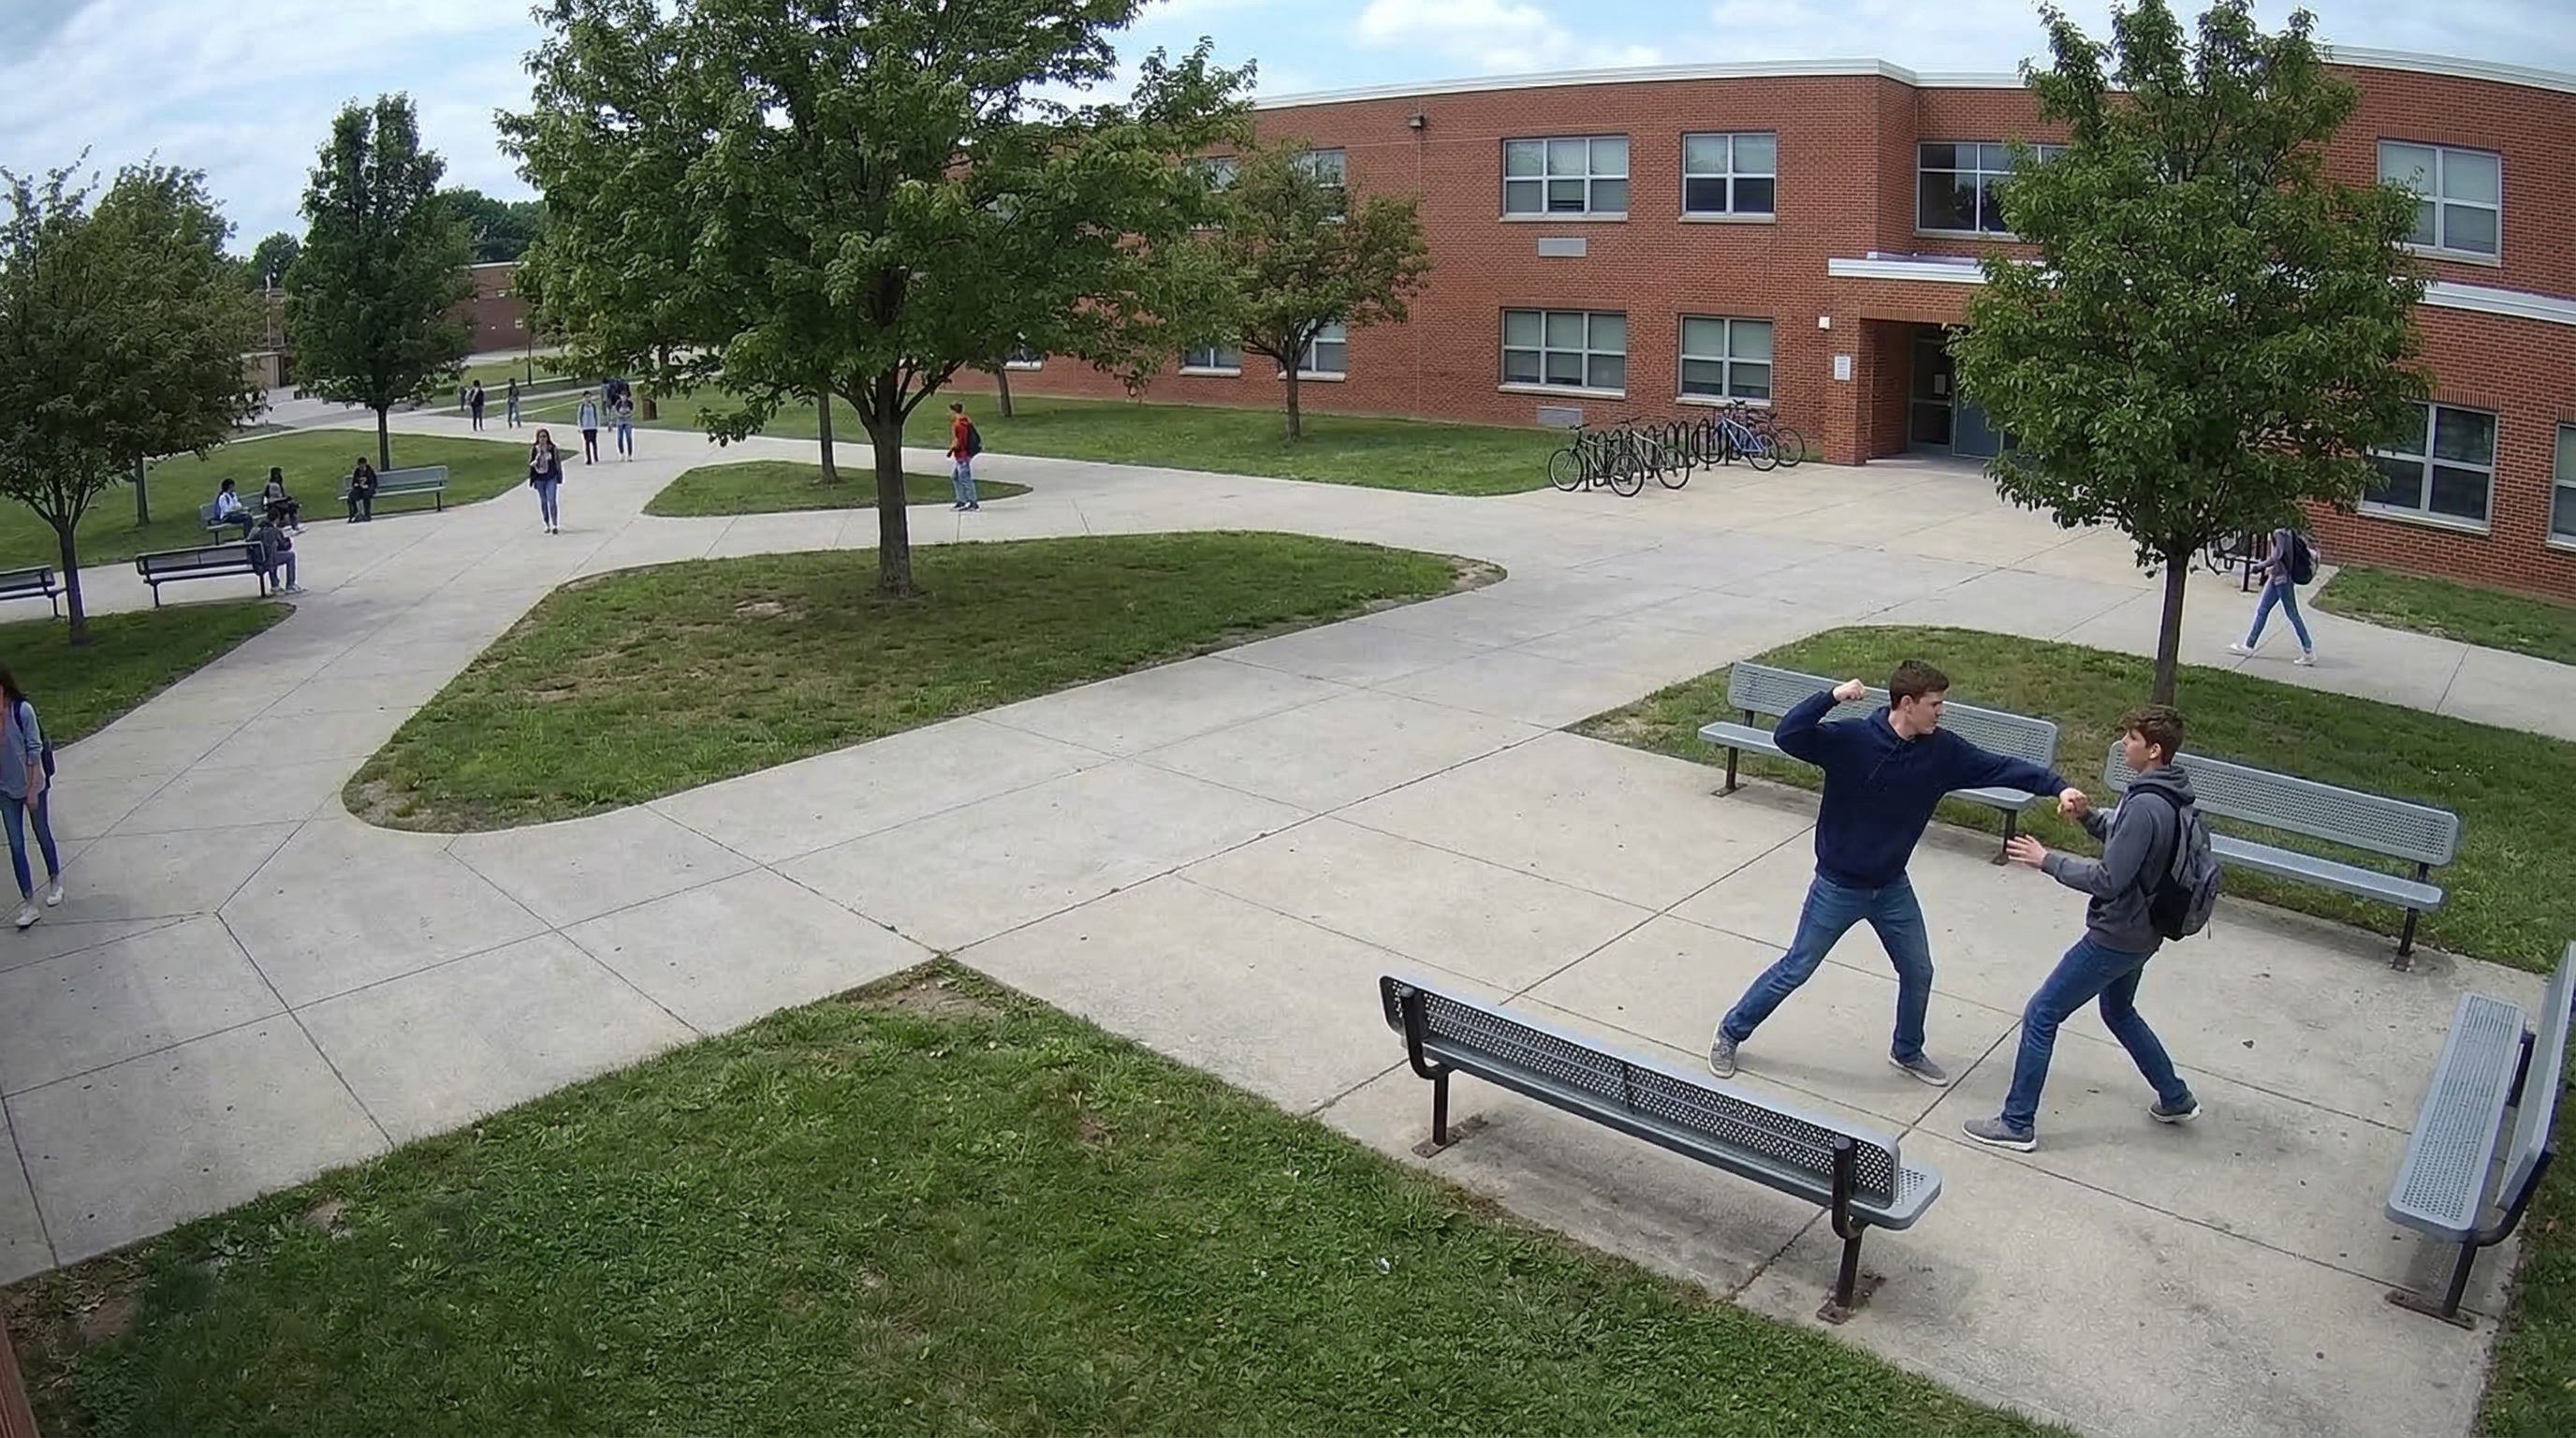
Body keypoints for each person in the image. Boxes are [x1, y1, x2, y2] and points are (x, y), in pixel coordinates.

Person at [1708, 661, 2082, 1087]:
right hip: (1838, 886)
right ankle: (1730, 1032)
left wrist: (2057, 786)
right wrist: (1831, 697)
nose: (1942, 712)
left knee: (1918, 970)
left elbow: (2001, 768)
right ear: (1907, 704)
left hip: (1891, 888)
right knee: (1797, 967)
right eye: (1935, 704)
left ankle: (1907, 1050)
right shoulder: (1851, 740)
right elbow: (1789, 735)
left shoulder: (1943, 752)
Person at [1963, 704, 2202, 1151]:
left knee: (2042, 1014)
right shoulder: (2168, 792)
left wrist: (2047, 860)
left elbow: (2110, 879)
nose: (2123, 745)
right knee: (2119, 1011)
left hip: (2116, 935)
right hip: (2144, 931)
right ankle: (2175, 1096)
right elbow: (2134, 848)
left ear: (2153, 749)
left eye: (2131, 739)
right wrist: (2089, 817)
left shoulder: (2146, 804)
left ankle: (2017, 1123)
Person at [0, 668, 64, 930]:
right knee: (15, 845)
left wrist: (32, 791)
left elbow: (34, 751)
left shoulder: (22, 711)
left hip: (32, 785)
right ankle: (28, 903)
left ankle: (55, 881)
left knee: (41, 832)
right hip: (5, 789)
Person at [2227, 526, 2316, 667]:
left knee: (2292, 614)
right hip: (2276, 577)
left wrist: (2260, 566)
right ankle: (2249, 645)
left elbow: (2278, 555)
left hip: (2282, 580)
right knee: (2262, 611)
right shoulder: (2288, 530)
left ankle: (2308, 650)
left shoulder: (2279, 532)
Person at [252, 515, 303, 594]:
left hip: (256, 562)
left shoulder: (255, 531)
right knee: (290, 556)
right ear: (276, 519)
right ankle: (290, 584)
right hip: (267, 562)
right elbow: (284, 546)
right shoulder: (275, 531)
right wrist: (288, 539)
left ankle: (275, 585)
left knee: (271, 554)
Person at [529, 427, 565, 534]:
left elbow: (557, 462)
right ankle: (546, 523)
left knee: (552, 501)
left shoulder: (552, 449)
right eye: (541, 437)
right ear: (538, 438)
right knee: (544, 502)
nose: (543, 439)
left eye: (545, 436)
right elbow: (530, 463)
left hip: (551, 477)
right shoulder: (534, 450)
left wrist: (559, 476)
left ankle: (554, 524)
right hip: (539, 479)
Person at [946, 401, 980, 511]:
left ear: (953, 411)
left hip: (963, 455)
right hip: (962, 455)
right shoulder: (965, 421)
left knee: (965, 478)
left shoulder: (959, 425)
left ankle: (973, 502)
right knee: (955, 477)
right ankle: (961, 500)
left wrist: (952, 450)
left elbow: (960, 441)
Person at [259, 466, 302, 531]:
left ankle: (294, 525)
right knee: (292, 507)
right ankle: (294, 526)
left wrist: (286, 499)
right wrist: (285, 499)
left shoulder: (277, 484)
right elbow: (272, 500)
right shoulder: (273, 485)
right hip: (273, 506)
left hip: (278, 504)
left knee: (292, 506)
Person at [345, 457, 378, 523]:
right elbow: (354, 482)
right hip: (359, 490)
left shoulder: (370, 471)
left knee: (366, 496)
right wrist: (356, 485)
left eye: (362, 465)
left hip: (368, 490)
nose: (361, 467)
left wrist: (368, 487)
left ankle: (367, 515)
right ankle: (354, 513)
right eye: (360, 465)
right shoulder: (357, 472)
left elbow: (373, 483)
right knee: (351, 497)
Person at [578, 393, 602, 464]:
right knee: (587, 442)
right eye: (586, 397)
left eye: (589, 397)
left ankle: (595, 456)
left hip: (593, 427)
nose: (588, 398)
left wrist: (597, 426)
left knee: (594, 442)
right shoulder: (582, 407)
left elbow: (597, 415)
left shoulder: (593, 406)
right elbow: (579, 417)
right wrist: (580, 427)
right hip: (585, 428)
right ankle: (589, 459)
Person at [612, 391, 635, 460]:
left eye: (625, 396)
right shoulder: (618, 403)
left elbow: (632, 411)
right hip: (620, 422)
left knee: (629, 437)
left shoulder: (630, 403)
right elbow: (615, 411)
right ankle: (621, 453)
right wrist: (620, 415)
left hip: (628, 422)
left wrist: (628, 415)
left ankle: (630, 455)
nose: (623, 398)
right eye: (622, 396)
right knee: (619, 438)